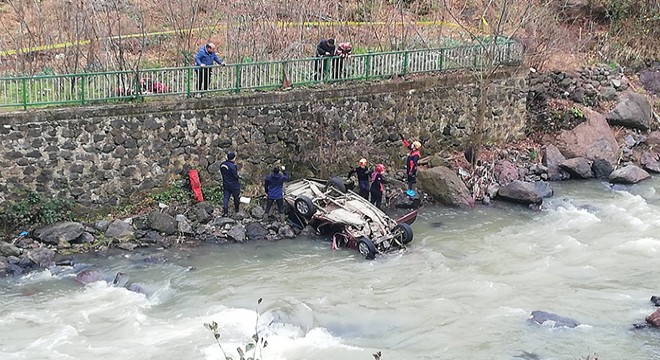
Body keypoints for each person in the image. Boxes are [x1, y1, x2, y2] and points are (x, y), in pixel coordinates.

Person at [220, 151, 240, 217]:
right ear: (233, 158)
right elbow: (235, 176)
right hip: (234, 185)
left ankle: (225, 211)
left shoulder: (222, 165)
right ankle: (237, 209)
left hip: (226, 183)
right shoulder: (233, 166)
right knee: (236, 197)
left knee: (226, 197)